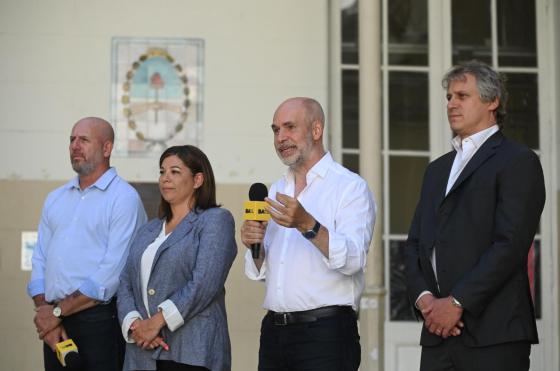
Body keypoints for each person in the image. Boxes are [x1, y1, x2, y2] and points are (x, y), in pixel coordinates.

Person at [404, 60, 546, 371]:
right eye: (449, 97)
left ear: (492, 101)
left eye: (462, 96)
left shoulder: (517, 161)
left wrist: (456, 303)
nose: (451, 103)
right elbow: (415, 244)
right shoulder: (437, 170)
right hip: (437, 335)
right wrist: (426, 302)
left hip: (494, 335)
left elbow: (509, 245)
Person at [241, 97, 376, 370]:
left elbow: (353, 260)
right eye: (276, 130)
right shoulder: (275, 189)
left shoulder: (349, 188)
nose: (281, 138)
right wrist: (256, 246)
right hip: (274, 332)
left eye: (290, 127)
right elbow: (264, 272)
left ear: (316, 130)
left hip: (325, 335)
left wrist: (307, 224)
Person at [28, 117, 148, 371]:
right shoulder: (55, 198)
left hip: (99, 323)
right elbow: (40, 259)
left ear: (107, 148)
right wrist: (45, 314)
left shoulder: (124, 198)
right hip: (54, 323)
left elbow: (110, 274)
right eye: (71, 140)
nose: (74, 146)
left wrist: (56, 313)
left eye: (83, 140)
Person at [117, 145, 237, 371]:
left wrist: (157, 322)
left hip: (192, 352)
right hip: (142, 353)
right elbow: (125, 282)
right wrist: (136, 326)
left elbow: (204, 284)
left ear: (198, 179)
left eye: (175, 171)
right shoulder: (149, 229)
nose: (165, 179)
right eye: (162, 172)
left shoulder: (214, 220)